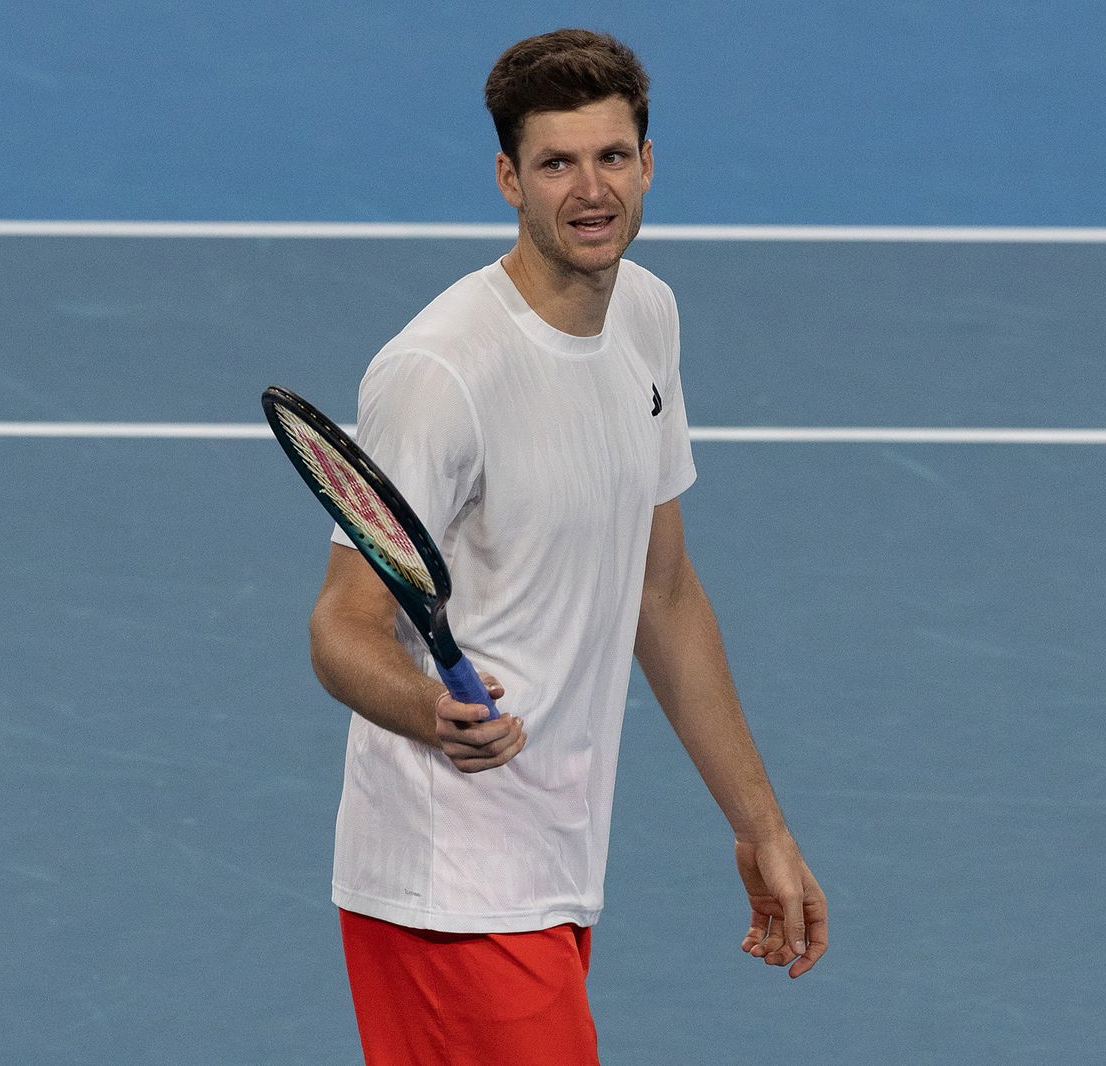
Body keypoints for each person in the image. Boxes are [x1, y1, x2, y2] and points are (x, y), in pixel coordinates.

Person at [305, 28, 827, 1065]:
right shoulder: (440, 373)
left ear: (647, 163)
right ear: (509, 179)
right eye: (556, 164)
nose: (591, 191)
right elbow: (342, 627)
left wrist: (760, 824)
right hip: (448, 884)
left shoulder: (646, 317)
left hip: (556, 863)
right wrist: (430, 709)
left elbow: (662, 593)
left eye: (612, 156)